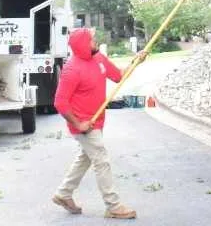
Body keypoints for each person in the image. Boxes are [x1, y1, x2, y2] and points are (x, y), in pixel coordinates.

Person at [51, 28, 147, 219]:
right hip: (85, 125)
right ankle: (113, 205)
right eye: (92, 40)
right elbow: (60, 102)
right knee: (101, 159)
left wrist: (135, 62)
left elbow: (118, 75)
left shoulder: (99, 59)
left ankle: (63, 193)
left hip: (97, 120)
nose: (95, 41)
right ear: (83, 45)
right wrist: (78, 124)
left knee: (85, 158)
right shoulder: (72, 69)